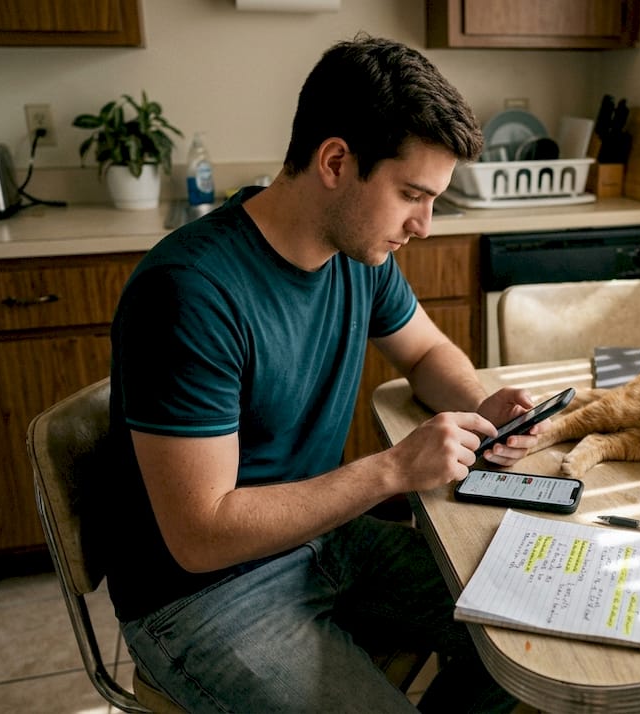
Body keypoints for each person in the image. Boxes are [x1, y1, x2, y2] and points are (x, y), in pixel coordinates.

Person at [103, 34, 534, 713]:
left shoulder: (360, 257)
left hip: (323, 541)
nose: (423, 225)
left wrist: (485, 405)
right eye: (411, 195)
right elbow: (199, 533)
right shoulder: (188, 293)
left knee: (526, 627)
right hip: (204, 597)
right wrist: (393, 470)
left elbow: (425, 354)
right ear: (336, 160)